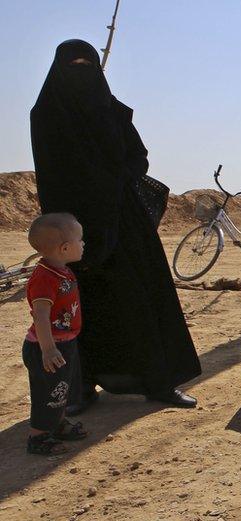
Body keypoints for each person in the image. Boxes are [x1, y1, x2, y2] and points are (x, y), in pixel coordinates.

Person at [30, 39, 202, 411]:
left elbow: (138, 158)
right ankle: (82, 388)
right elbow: (50, 176)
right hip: (74, 231)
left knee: (141, 302)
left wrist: (111, 182)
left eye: (86, 65)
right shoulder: (46, 115)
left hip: (123, 225)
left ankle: (159, 384)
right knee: (79, 310)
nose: (81, 74)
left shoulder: (112, 112)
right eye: (72, 65)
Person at [22, 213, 89, 455]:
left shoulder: (60, 270)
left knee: (61, 387)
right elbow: (40, 315)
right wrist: (48, 349)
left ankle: (58, 424)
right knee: (47, 391)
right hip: (48, 348)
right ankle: (38, 437)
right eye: (80, 240)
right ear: (64, 248)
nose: (83, 244)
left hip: (64, 344)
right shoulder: (44, 278)